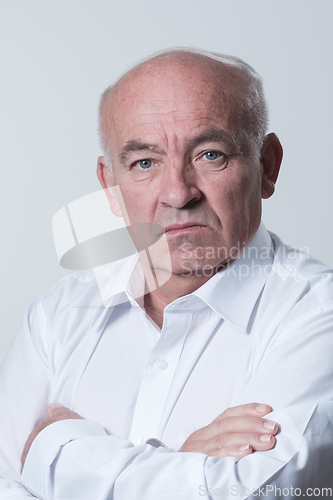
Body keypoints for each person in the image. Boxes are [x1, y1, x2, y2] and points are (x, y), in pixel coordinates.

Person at [1, 48, 333, 499]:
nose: (178, 193)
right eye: (144, 163)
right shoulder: (57, 316)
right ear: (110, 187)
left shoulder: (318, 314)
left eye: (210, 154)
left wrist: (58, 452)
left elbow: (254, 493)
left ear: (267, 165)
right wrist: (184, 463)